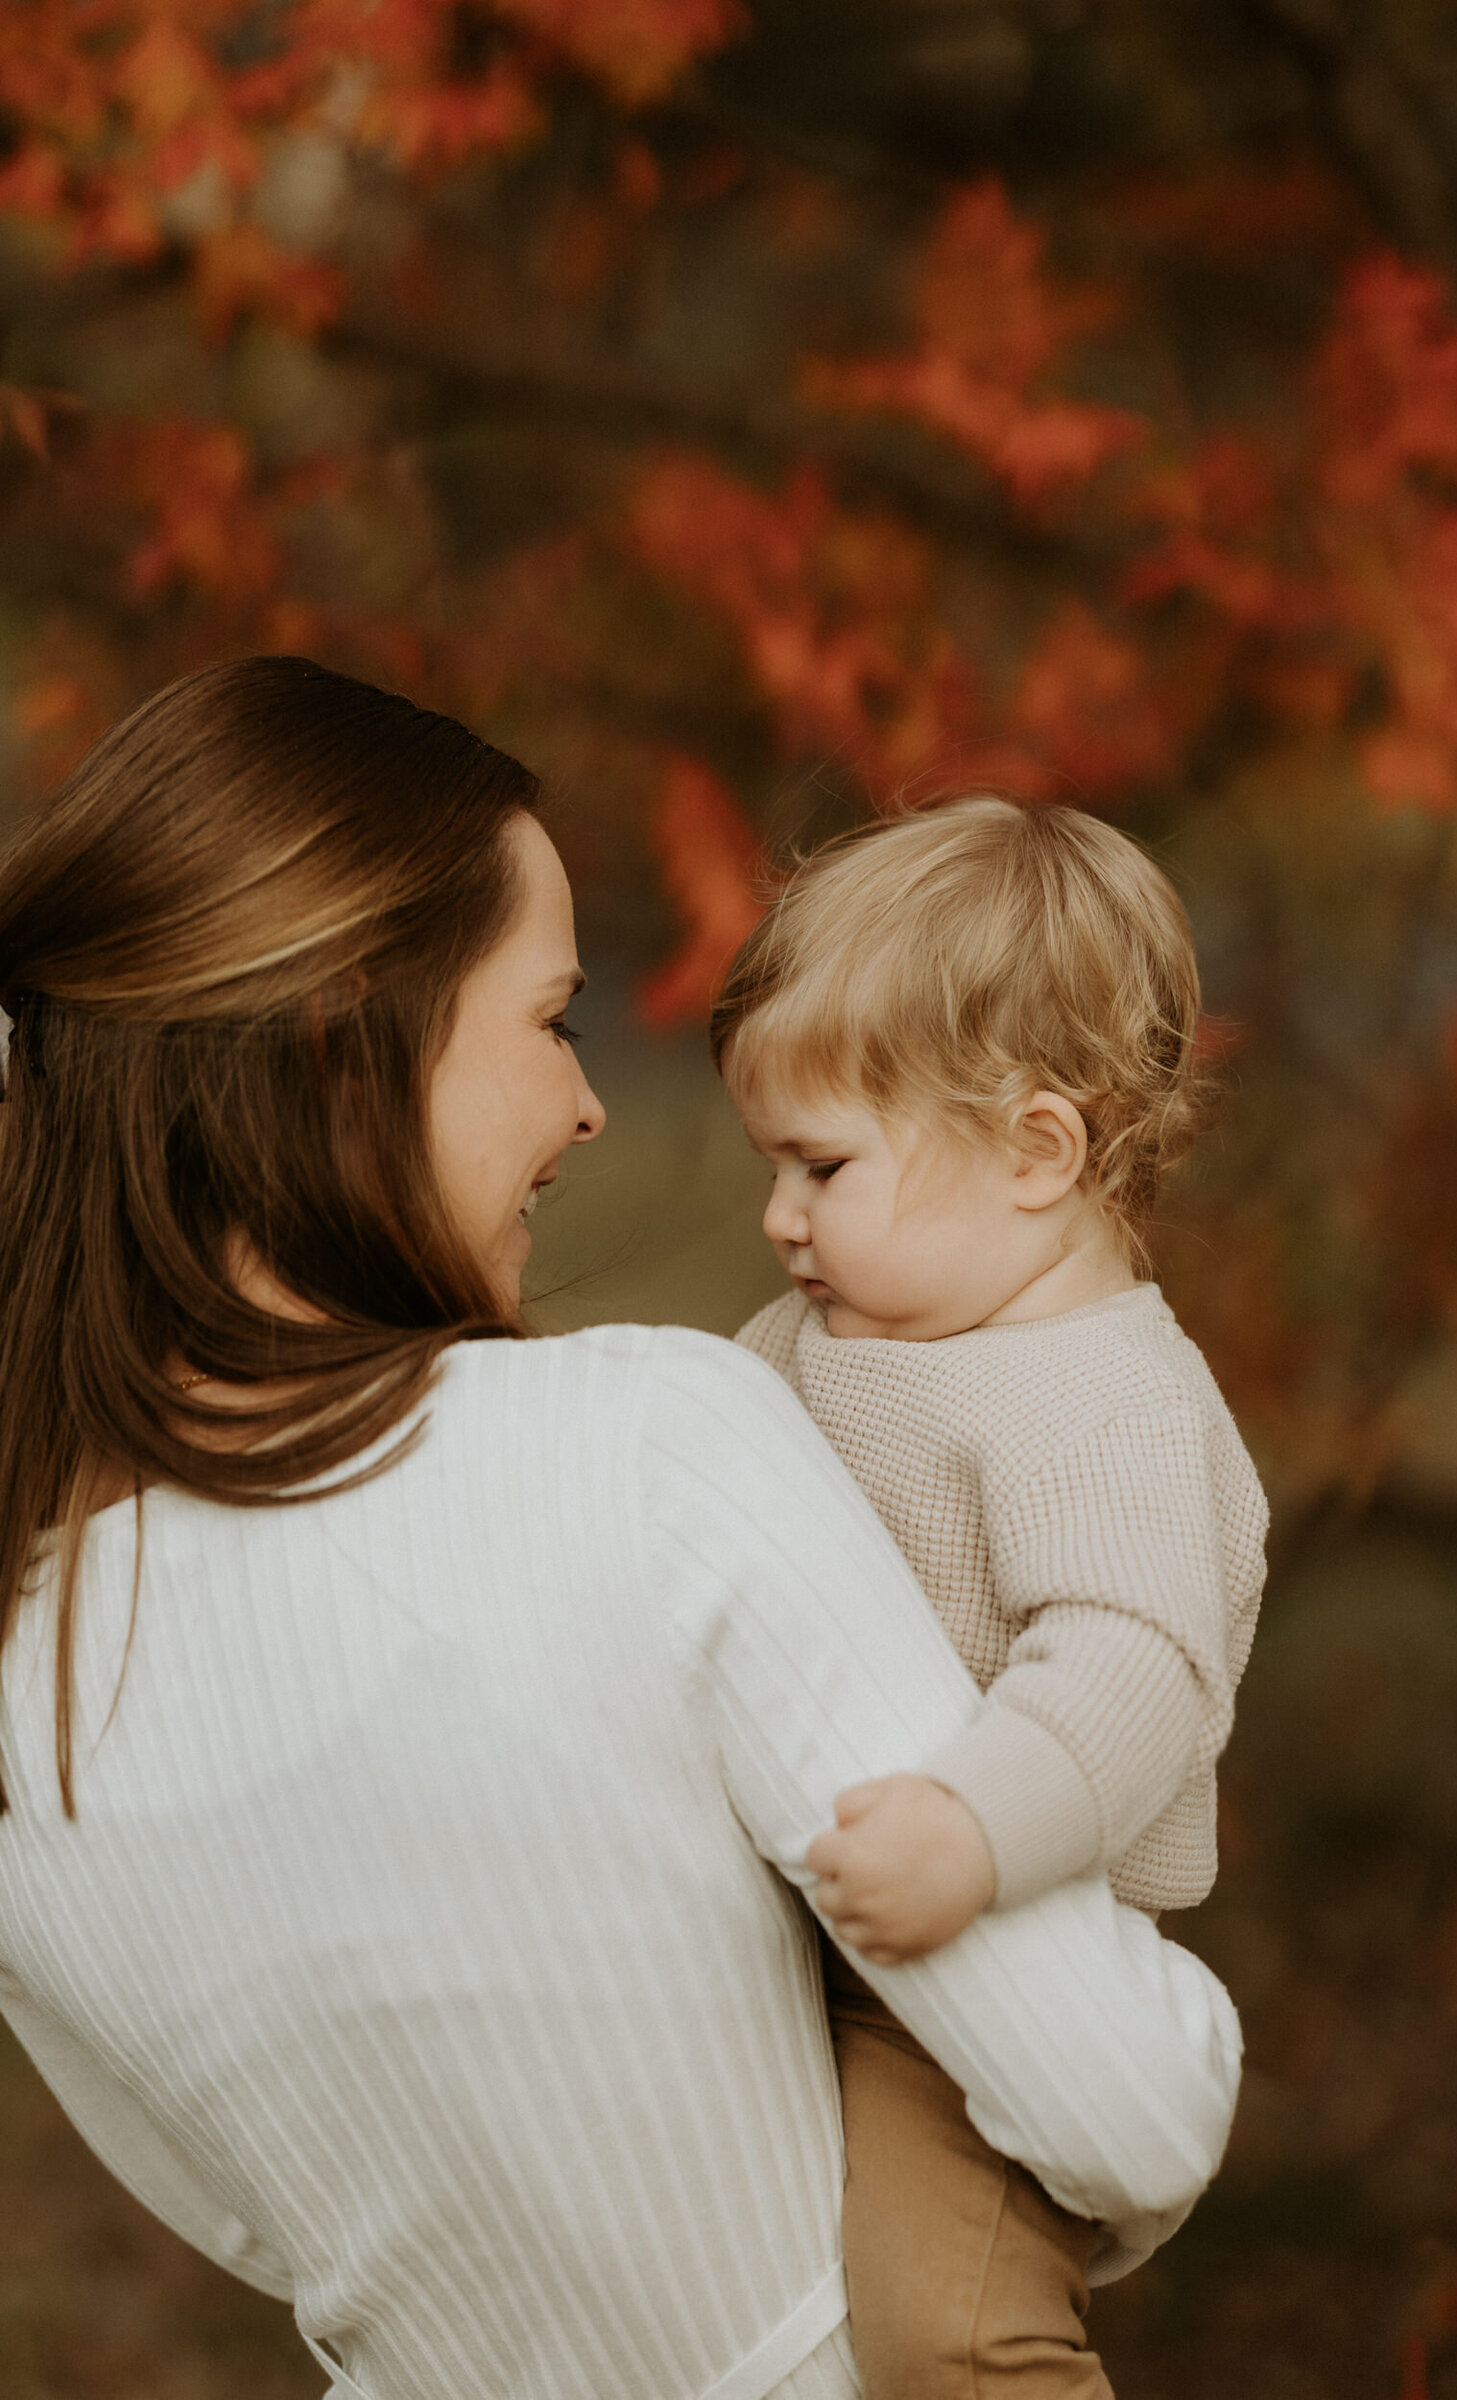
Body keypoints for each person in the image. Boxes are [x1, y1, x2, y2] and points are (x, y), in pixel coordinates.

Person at [0, 661, 1241, 2400]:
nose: (587, 1107)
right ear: (345, 1031)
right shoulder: (644, 1445)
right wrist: (1188, 2024)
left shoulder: (24, 1688)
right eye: (552, 1019)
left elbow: (266, 2226)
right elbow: (1120, 2106)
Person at [715, 795, 1269, 2400]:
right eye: (773, 1165)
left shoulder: (1107, 1407)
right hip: (793, 1914)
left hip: (990, 1949)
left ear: (1039, 1150)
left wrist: (970, 1832)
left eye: (820, 1164)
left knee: (941, 2325)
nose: (777, 1216)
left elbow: (1132, 1667)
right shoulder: (825, 1335)